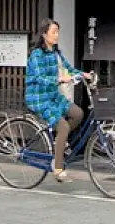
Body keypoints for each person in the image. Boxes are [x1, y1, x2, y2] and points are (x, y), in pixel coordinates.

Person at [24, 18, 94, 182]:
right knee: (62, 126)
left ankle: (59, 144)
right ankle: (58, 168)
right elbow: (40, 77)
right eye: (53, 31)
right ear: (44, 34)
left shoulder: (56, 53)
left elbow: (68, 69)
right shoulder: (36, 55)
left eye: (58, 31)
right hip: (39, 98)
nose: (57, 35)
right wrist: (59, 80)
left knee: (78, 113)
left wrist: (84, 75)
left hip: (54, 96)